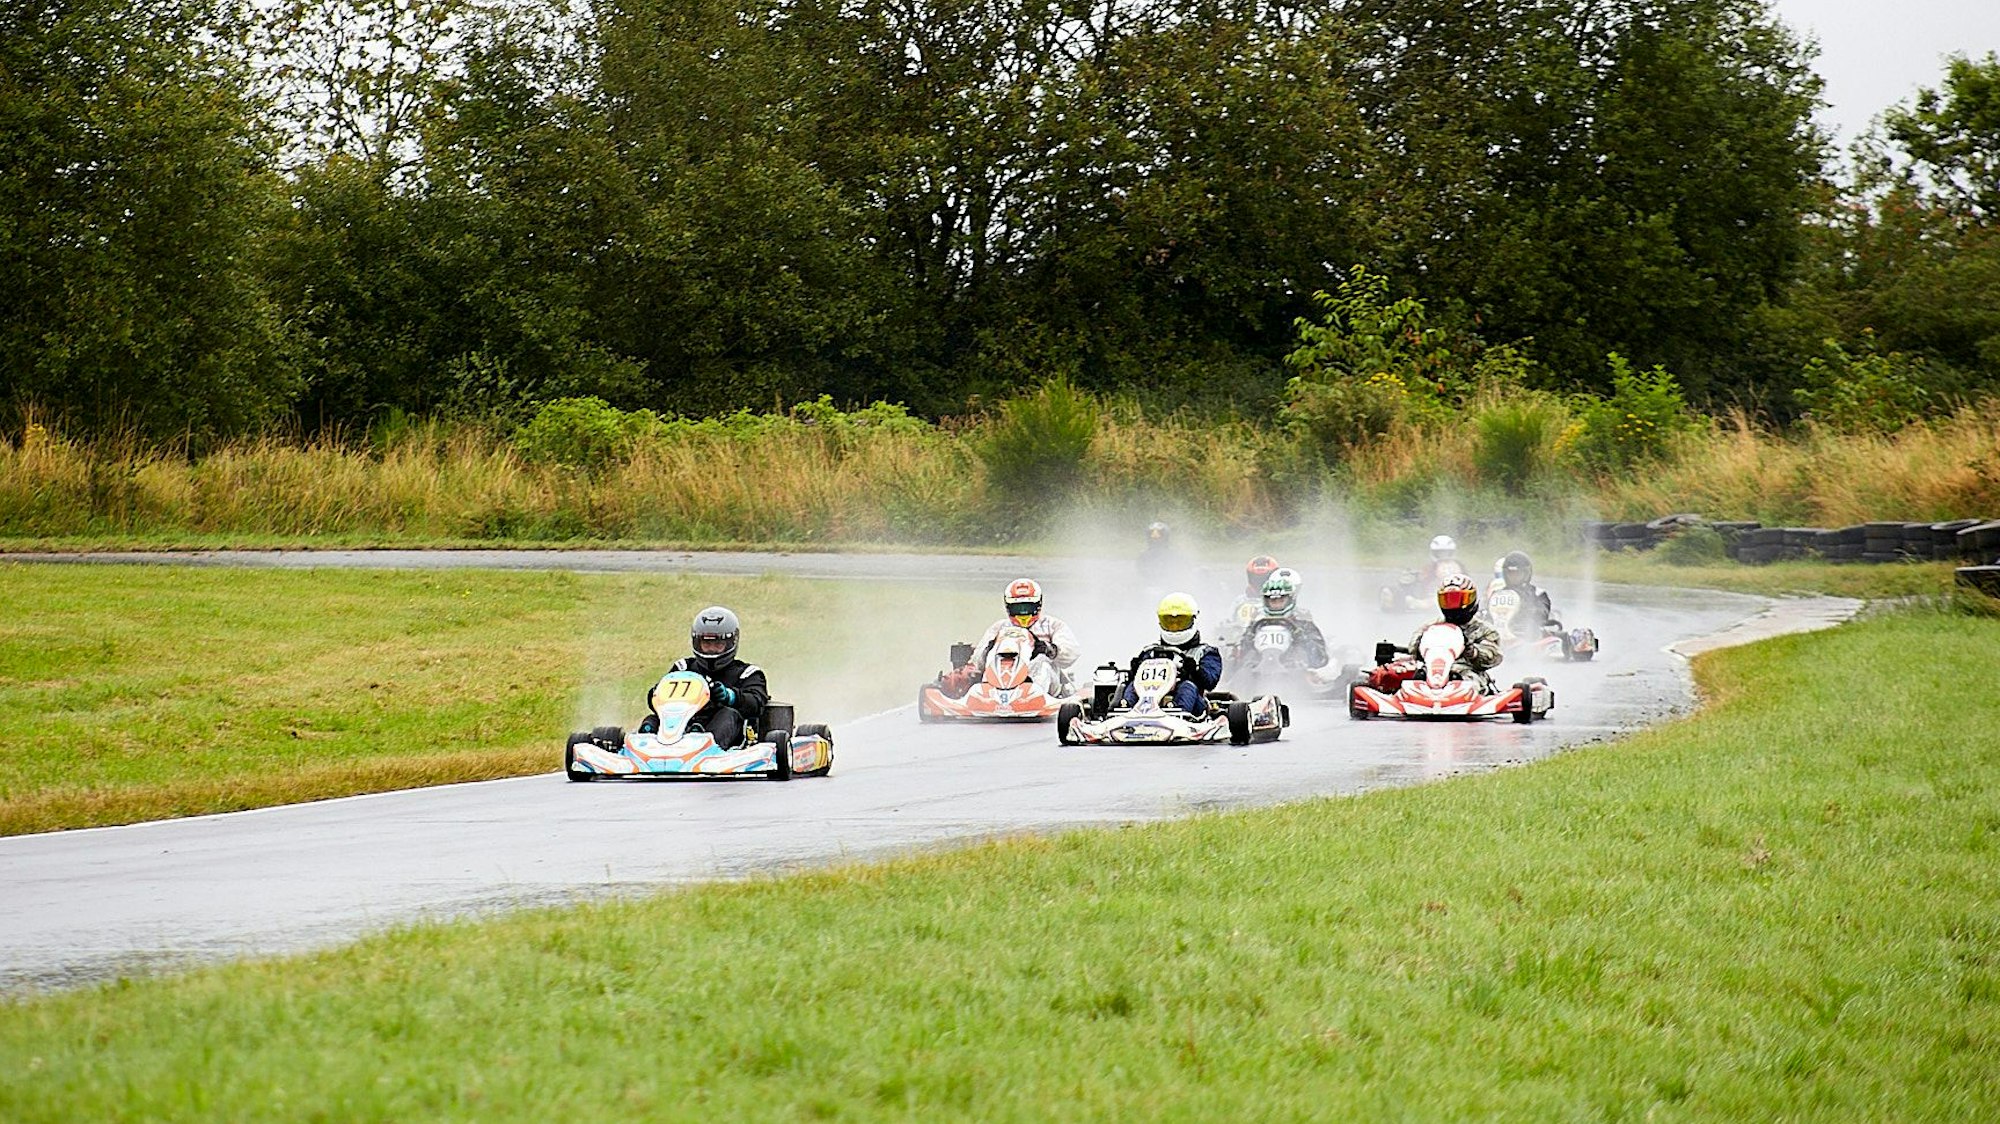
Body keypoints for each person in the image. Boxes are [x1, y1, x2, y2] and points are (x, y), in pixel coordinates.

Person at [640, 605, 768, 749]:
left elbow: (756, 704)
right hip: (681, 724)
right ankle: (644, 747)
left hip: (727, 738)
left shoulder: (747, 673)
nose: (712, 649)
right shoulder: (683, 668)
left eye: (718, 644)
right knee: (652, 720)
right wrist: (657, 693)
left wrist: (729, 696)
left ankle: (704, 745)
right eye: (706, 643)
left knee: (728, 714)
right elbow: (657, 703)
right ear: (697, 642)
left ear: (731, 642)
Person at [943, 577, 1079, 696]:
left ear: (1038, 605)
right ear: (1008, 607)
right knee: (992, 660)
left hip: (1044, 684)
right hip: (1003, 677)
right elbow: (978, 661)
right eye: (1017, 608)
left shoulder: (1052, 625)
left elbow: (1071, 653)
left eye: (1027, 607)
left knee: (1042, 663)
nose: (1023, 613)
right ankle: (988, 696)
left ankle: (1032, 696)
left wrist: (1049, 649)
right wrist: (987, 651)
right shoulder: (1000, 628)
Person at [1121, 592, 1223, 714]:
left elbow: (1210, 682)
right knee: (1132, 686)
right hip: (1148, 699)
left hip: (1194, 706)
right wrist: (1134, 671)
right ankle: (1124, 712)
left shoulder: (1205, 652)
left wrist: (1194, 671)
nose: (1175, 627)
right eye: (1169, 622)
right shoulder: (1150, 652)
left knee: (1187, 686)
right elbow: (1137, 679)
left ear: (1192, 621)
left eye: (1180, 622)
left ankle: (1177, 713)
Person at [1406, 574, 1503, 691]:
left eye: (1457, 600)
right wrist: (1425, 645)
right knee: (1414, 679)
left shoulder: (1485, 630)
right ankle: (1417, 699)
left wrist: (1471, 651)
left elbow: (1492, 656)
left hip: (1468, 671)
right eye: (1448, 600)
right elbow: (1413, 649)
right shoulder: (1431, 627)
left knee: (1469, 683)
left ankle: (1458, 698)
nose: (1453, 606)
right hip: (1433, 670)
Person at [1232, 571, 1331, 669]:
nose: (1276, 605)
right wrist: (1249, 640)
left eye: (1280, 601)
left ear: (1290, 600)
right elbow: (1243, 656)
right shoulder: (1256, 626)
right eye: (1272, 601)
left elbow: (1320, 660)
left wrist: (1301, 638)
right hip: (1257, 671)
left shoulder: (1304, 624)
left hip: (1295, 672)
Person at [1484, 550, 1563, 636]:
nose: (1514, 577)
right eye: (1511, 573)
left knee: (1557, 639)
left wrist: (1528, 611)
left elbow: (1543, 613)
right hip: (1500, 634)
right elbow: (1489, 615)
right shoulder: (1498, 594)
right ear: (1505, 574)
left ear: (1526, 574)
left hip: (1528, 635)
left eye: (1517, 574)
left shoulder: (1538, 594)